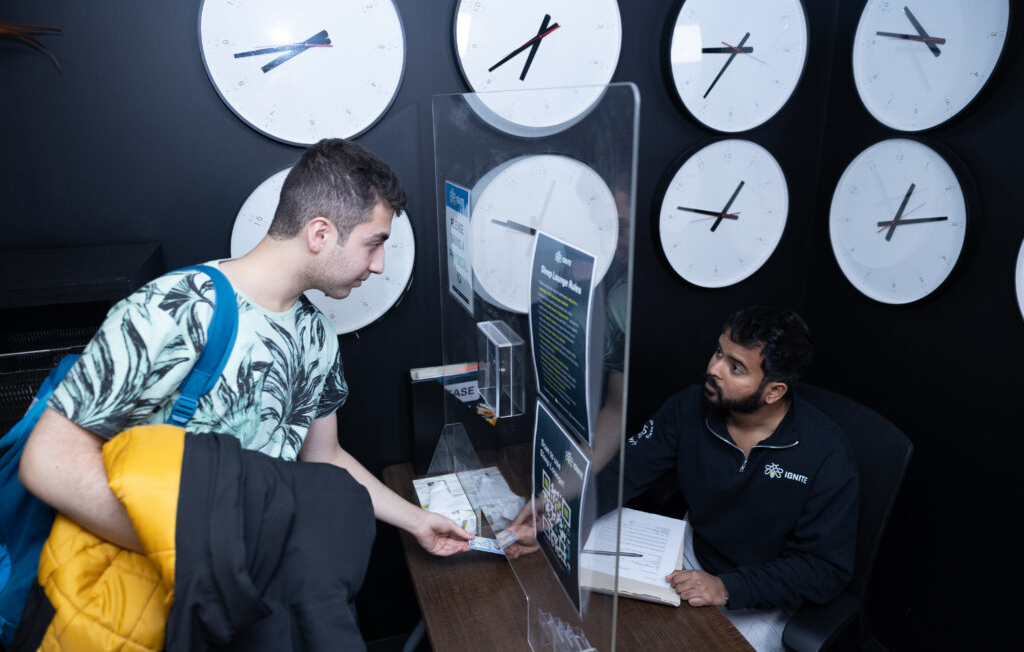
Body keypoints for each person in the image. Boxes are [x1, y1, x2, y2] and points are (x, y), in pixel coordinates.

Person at [18, 139, 472, 599]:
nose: (378, 266)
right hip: (145, 596)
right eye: (373, 244)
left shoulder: (316, 334)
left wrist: (418, 521)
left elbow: (324, 455)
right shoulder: (178, 307)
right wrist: (191, 548)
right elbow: (49, 461)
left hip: (242, 590)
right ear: (320, 233)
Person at [508, 306, 859, 652]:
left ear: (774, 392)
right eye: (718, 352)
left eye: (735, 367)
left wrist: (727, 587)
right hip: (690, 554)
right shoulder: (690, 406)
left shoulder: (827, 454)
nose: (713, 369)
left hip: (762, 593)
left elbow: (824, 569)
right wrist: (556, 517)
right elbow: (624, 472)